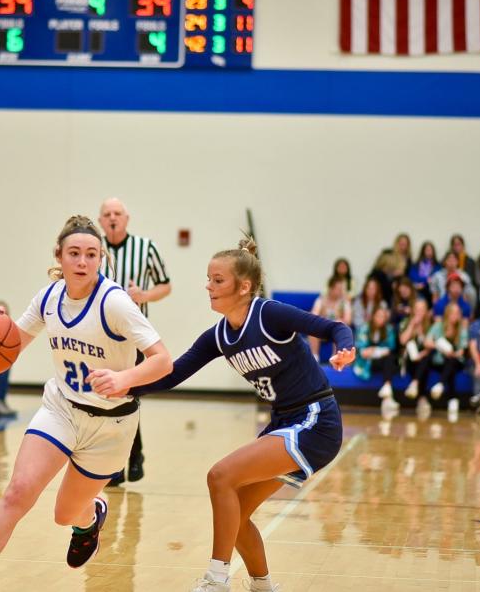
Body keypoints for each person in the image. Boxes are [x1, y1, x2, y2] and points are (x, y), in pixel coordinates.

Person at [0, 215, 173, 592]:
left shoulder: (115, 303)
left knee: (64, 515)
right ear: (59, 255)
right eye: (74, 253)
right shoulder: (48, 298)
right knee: (19, 490)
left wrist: (124, 378)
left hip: (112, 425)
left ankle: (89, 519)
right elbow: (7, 350)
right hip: (62, 408)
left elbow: (163, 360)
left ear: (101, 259)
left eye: (91, 254)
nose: (82, 261)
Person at [105, 237, 355, 592]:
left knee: (219, 476)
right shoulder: (220, 335)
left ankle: (216, 580)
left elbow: (332, 328)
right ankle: (263, 586)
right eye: (208, 278)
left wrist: (345, 348)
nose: (208, 286)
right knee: (234, 513)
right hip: (285, 422)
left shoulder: (268, 314)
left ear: (244, 286)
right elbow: (173, 373)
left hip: (316, 420)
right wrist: (124, 385)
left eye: (217, 280)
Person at [97, 197, 172, 486]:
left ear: (126, 218)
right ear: (101, 221)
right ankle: (116, 462)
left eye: (117, 213)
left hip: (136, 336)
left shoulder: (145, 247)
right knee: (107, 395)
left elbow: (166, 284)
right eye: (107, 214)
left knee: (129, 393)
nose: (113, 218)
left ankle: (134, 454)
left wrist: (144, 295)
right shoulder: (94, 251)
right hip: (101, 335)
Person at [309, 275, 351, 359]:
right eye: (338, 289)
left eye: (341, 289)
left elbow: (348, 320)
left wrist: (338, 322)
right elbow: (314, 314)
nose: (341, 291)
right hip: (323, 328)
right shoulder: (321, 299)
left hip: (336, 330)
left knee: (340, 324)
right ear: (331, 288)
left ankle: (335, 358)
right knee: (312, 327)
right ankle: (315, 357)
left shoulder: (344, 302)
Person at [0, 299, 17, 416]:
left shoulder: (8, 329)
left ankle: (0, 400)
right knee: (2, 363)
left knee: (6, 363)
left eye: (4, 313)